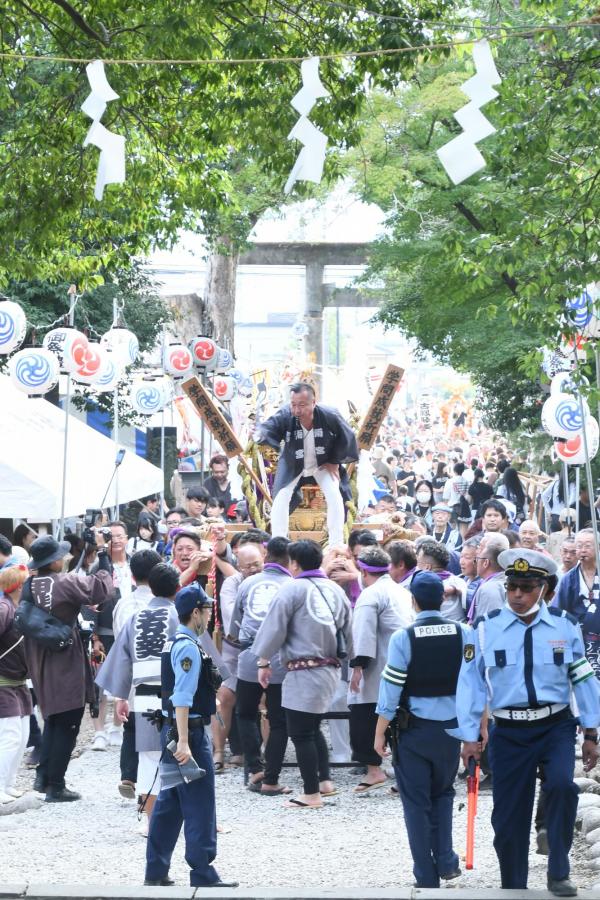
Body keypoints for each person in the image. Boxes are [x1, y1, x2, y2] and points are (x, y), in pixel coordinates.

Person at [454, 549, 600, 896]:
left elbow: (582, 678)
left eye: (527, 587)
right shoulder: (485, 628)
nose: (517, 594)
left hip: (555, 726)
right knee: (508, 815)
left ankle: (559, 870)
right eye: (512, 587)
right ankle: (514, 883)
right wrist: (469, 736)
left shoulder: (565, 624)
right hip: (508, 731)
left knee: (563, 787)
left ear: (544, 589)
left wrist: (591, 732)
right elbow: (471, 683)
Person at [374, 571, 471, 889]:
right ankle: (446, 859)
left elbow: (390, 690)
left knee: (416, 803)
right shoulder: (464, 632)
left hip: (413, 732)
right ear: (443, 598)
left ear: (413, 601)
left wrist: (379, 732)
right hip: (451, 731)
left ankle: (425, 876)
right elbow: (474, 683)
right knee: (443, 792)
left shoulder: (403, 638)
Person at [145, 583, 238, 889]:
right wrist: (185, 741)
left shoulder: (174, 642)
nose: (210, 616)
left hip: (173, 730)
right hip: (189, 734)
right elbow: (182, 698)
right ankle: (202, 872)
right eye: (208, 609)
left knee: (170, 803)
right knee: (199, 803)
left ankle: (155, 870)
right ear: (196, 612)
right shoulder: (188, 647)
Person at [252, 539, 352, 809]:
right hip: (330, 668)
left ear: (294, 563)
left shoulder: (292, 589)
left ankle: (311, 794)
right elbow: (349, 630)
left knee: (301, 733)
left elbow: (274, 628)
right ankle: (324, 781)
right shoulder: (335, 589)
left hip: (304, 670)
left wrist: (263, 661)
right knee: (312, 727)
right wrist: (354, 664)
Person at [25, 536, 112, 801]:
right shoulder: (65, 582)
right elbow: (101, 589)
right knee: (69, 720)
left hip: (39, 657)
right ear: (53, 562)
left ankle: (43, 778)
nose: (63, 558)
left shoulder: (30, 584)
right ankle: (56, 785)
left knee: (53, 717)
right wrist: (103, 556)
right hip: (63, 658)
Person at [257, 382, 358, 546]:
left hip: (323, 463)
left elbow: (347, 436)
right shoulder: (286, 414)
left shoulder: (329, 414)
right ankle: (278, 542)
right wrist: (258, 434)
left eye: (302, 405)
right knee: (281, 496)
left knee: (334, 495)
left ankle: (336, 543)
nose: (297, 410)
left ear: (314, 402)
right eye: (293, 404)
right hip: (292, 463)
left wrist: (334, 460)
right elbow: (268, 428)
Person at [229, 536, 292, 795]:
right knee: (279, 720)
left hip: (250, 655)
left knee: (245, 713)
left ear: (266, 556)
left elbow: (235, 624)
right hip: (281, 658)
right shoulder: (292, 585)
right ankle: (272, 777)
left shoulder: (247, 584)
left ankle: (255, 768)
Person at [348, 546, 413, 793]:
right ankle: (405, 774)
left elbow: (363, 632)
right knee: (401, 721)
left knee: (365, 716)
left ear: (364, 571)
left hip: (378, 666)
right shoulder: (402, 591)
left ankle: (374, 770)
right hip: (404, 663)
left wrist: (358, 666)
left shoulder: (370, 594)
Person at [89, 521, 133, 750]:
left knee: (123, 680)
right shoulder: (99, 567)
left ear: (127, 538)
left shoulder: (135, 564)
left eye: (119, 536)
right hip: (105, 632)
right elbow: (89, 603)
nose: (115, 540)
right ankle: (99, 731)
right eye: (111, 536)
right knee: (98, 683)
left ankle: (117, 726)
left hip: (130, 631)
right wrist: (94, 636)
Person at [0, 563, 31, 804]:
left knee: (22, 736)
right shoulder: (3, 608)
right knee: (10, 736)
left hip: (19, 681)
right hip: (3, 681)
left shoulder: (19, 608)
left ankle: (9, 784)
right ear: (19, 586)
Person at [555, 528, 600, 680]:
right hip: (579, 640)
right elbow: (558, 611)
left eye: (587, 545)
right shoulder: (568, 579)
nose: (582, 550)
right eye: (579, 546)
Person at [415, 539, 467, 623]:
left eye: (418, 562)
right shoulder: (459, 582)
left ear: (427, 567)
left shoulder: (420, 586)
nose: (416, 567)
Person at [467, 532, 510, 622]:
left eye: (480, 547)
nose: (477, 552)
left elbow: (488, 625)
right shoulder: (493, 582)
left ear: (486, 562)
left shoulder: (490, 589)